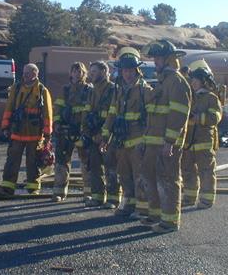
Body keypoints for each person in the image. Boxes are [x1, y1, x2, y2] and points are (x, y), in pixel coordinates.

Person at [140, 39, 192, 233]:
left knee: (168, 179)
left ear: (169, 59)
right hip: (153, 142)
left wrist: (170, 142)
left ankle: (169, 221)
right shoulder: (163, 82)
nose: (155, 62)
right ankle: (155, 214)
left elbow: (178, 116)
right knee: (151, 177)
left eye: (159, 58)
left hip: (166, 144)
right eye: (154, 58)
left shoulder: (177, 82)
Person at [101, 47, 152, 218]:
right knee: (124, 174)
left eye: (131, 70)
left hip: (138, 140)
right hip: (121, 140)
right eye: (125, 70)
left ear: (137, 70)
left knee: (140, 175)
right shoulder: (119, 90)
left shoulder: (146, 90)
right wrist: (105, 136)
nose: (128, 74)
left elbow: (151, 118)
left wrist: (147, 140)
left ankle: (143, 208)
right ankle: (128, 204)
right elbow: (112, 114)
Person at [0, 63, 53, 196]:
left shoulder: (42, 90)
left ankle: (33, 188)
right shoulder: (16, 89)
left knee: (33, 161)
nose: (25, 74)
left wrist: (47, 134)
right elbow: (9, 109)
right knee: (12, 160)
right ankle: (7, 187)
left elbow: (47, 114)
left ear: (35, 74)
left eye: (29, 72)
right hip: (17, 131)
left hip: (35, 133)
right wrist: (5, 127)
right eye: (24, 72)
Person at [181, 67, 222, 209]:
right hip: (188, 142)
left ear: (203, 81)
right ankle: (189, 197)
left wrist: (197, 118)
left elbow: (215, 117)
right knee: (187, 170)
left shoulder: (211, 98)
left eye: (196, 80)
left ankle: (206, 199)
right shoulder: (189, 97)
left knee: (206, 171)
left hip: (204, 141)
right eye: (192, 80)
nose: (193, 82)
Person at [81, 61, 120, 208]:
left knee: (111, 167)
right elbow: (86, 112)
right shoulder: (91, 90)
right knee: (95, 167)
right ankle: (97, 197)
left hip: (108, 136)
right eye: (90, 72)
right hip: (92, 135)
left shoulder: (113, 89)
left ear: (104, 72)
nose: (91, 74)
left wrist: (104, 135)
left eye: (95, 72)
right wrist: (87, 132)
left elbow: (113, 114)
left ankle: (113, 199)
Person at [51, 62, 92, 202]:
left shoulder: (89, 90)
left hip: (82, 130)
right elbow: (58, 107)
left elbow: (91, 110)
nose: (76, 73)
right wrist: (56, 123)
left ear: (84, 73)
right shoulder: (65, 90)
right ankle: (59, 192)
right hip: (65, 130)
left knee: (87, 162)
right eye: (74, 71)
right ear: (70, 73)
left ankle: (88, 193)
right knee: (62, 161)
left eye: (79, 71)